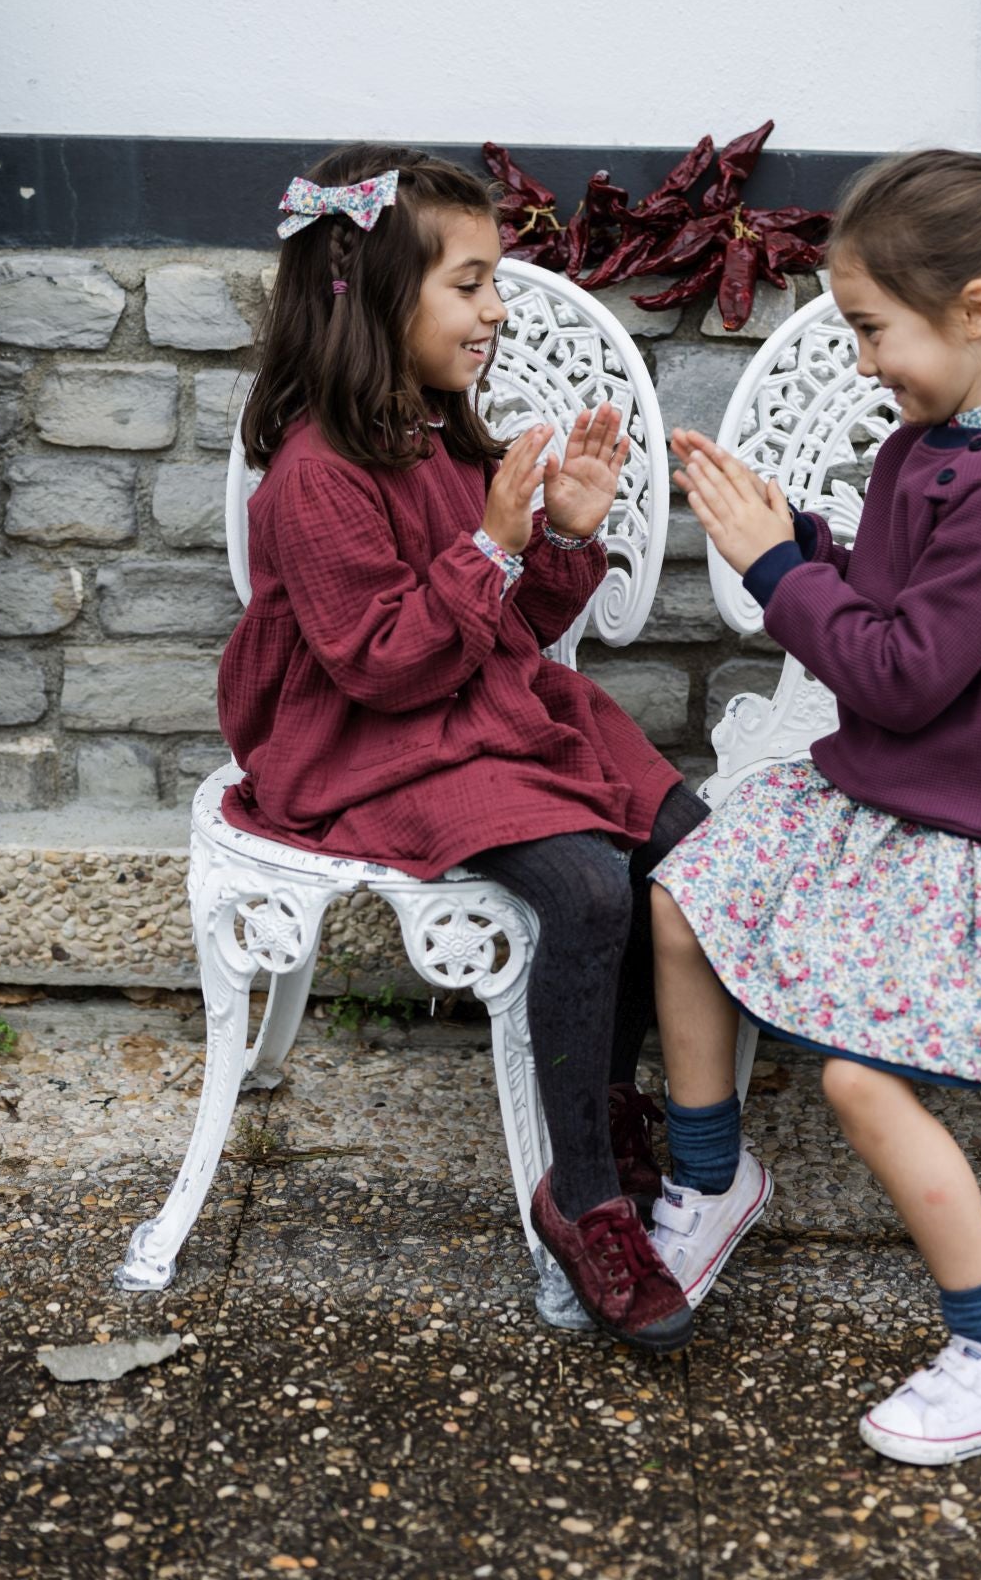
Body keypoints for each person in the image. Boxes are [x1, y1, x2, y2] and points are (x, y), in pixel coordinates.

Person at [648, 149, 981, 1462]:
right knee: (685, 898)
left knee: (859, 1079)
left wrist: (774, 574)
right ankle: (709, 1181)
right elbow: (890, 592)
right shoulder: (935, 443)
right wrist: (799, 539)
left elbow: (902, 675)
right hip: (906, 789)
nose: (864, 362)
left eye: (872, 330)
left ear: (976, 311)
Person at [218, 144, 708, 1353]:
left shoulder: (441, 434)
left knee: (678, 847)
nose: (496, 310)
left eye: (495, 283)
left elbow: (510, 629)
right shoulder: (313, 474)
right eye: (471, 284)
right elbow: (383, 666)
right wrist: (489, 544)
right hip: (362, 742)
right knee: (585, 886)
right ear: (375, 296)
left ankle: (605, 1106)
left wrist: (562, 537)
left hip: (470, 707)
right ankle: (580, 1196)